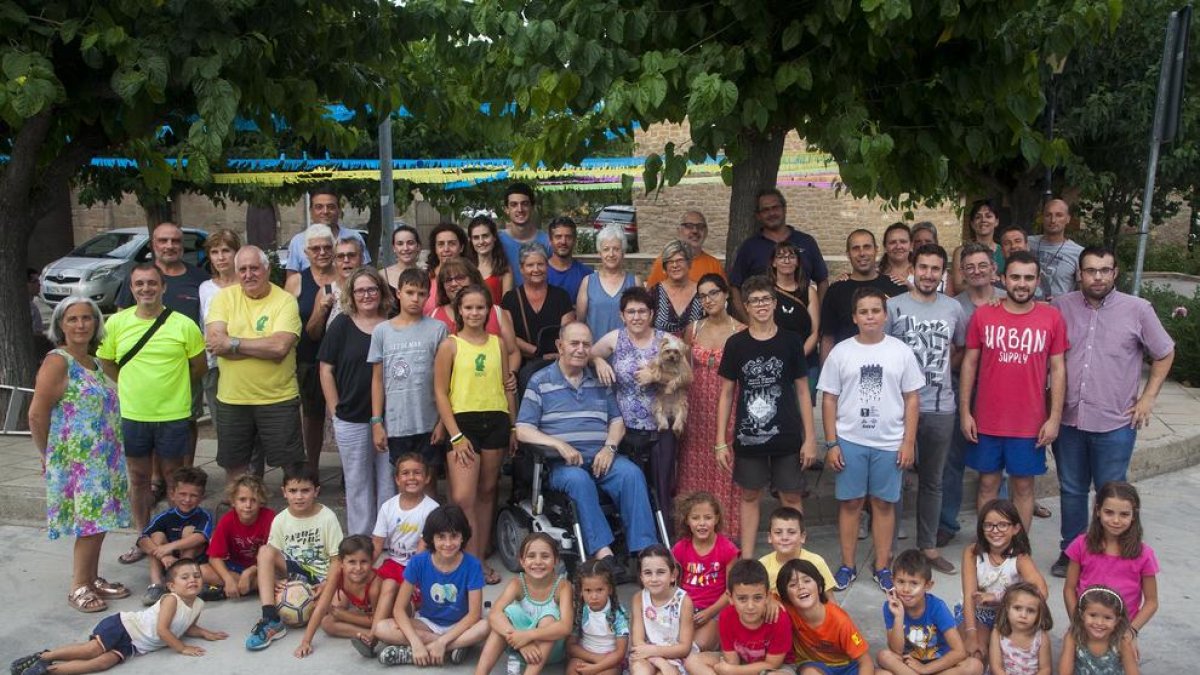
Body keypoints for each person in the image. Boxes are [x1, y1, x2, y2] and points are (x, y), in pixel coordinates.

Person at [1049, 246, 1174, 578]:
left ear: (1115, 272)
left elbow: (1164, 352)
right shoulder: (1061, 307)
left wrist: (1148, 398)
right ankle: (1071, 551)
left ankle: (1112, 554)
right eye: (1091, 270)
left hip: (1115, 422)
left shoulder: (1138, 310)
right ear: (1080, 274)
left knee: (1112, 492)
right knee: (1072, 488)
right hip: (1069, 419)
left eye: (1105, 270)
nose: (1098, 276)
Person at [516, 322, 659, 563]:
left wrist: (610, 448)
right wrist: (558, 444)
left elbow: (617, 422)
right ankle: (603, 553)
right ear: (560, 346)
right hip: (563, 465)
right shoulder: (540, 381)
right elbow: (523, 429)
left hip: (602, 458)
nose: (581, 349)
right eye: (574, 343)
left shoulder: (599, 380)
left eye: (586, 344)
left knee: (632, 474)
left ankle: (646, 552)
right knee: (579, 480)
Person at [27, 296, 131, 613]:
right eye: (72, 319)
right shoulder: (58, 361)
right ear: (61, 324)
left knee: (99, 522)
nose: (81, 324)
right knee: (89, 524)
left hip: (103, 459)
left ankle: (92, 577)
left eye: (87, 318)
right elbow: (36, 414)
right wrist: (48, 455)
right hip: (79, 462)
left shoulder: (94, 362)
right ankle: (78, 586)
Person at [98, 264, 205, 565]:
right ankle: (142, 537)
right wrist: (133, 386)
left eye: (152, 283)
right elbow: (107, 362)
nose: (146, 289)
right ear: (131, 289)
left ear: (163, 287)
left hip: (173, 414)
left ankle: (174, 542)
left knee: (174, 480)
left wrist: (171, 389)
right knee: (139, 478)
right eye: (139, 284)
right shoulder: (116, 324)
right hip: (134, 414)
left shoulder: (184, 325)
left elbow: (198, 367)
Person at [819, 287, 923, 593]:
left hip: (889, 441)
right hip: (850, 439)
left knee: (883, 503)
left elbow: (912, 399)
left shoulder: (900, 351)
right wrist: (832, 442)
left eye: (875, 310)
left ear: (885, 314)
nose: (870, 317)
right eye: (863, 312)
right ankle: (848, 565)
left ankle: (882, 566)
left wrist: (907, 442)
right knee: (851, 503)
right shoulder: (842, 352)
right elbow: (828, 400)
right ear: (854, 317)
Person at [959, 250, 1067, 532]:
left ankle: (1019, 548)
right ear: (1003, 278)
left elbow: (1058, 370)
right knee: (987, 484)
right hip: (987, 419)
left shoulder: (1051, 318)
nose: (1022, 283)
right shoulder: (984, 315)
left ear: (1037, 280)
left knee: (1023, 486)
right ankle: (986, 545)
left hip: (1029, 422)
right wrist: (965, 412)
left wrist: (1054, 418)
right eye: (1016, 277)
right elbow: (969, 364)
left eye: (1029, 278)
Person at [716, 276, 816, 557]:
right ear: (746, 306)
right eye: (754, 300)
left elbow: (803, 392)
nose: (761, 305)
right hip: (749, 436)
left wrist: (809, 439)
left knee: (791, 495)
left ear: (774, 303)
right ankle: (747, 557)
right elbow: (726, 394)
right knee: (749, 495)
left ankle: (796, 556)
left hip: (786, 434)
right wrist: (720, 441)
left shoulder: (791, 342)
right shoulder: (736, 344)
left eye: (766, 299)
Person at [884, 244, 966, 574]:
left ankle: (928, 547)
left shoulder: (953, 309)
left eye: (936, 269)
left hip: (940, 406)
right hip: (898, 409)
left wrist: (941, 372)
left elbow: (959, 348)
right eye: (924, 268)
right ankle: (887, 551)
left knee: (933, 480)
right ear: (912, 269)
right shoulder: (892, 307)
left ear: (942, 273)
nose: (929, 274)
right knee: (894, 480)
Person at [10, 559, 227, 675]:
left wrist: (206, 633)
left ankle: (46, 671)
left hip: (134, 645)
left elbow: (187, 626)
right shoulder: (171, 599)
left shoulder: (199, 603)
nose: (192, 580)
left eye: (197, 576)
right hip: (124, 626)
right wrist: (182, 648)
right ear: (171, 585)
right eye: (185, 577)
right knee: (92, 650)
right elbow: (163, 630)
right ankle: (44, 656)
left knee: (103, 663)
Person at [435, 283, 518, 586]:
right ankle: (463, 560)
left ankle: (479, 559)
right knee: (462, 497)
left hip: (495, 419)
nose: (474, 313)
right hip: (464, 423)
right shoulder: (451, 345)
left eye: (480, 307)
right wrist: (455, 435)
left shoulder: (497, 343)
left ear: (488, 311)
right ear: (459, 311)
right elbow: (441, 393)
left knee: (486, 494)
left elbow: (507, 386)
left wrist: (512, 424)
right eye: (468, 307)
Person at [205, 246, 305, 483]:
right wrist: (262, 348)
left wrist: (234, 343)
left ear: (267, 269)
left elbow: (280, 347)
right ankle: (244, 518)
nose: (248, 274)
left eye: (254, 268)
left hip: (277, 399)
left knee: (292, 470)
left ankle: (292, 518)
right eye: (243, 269)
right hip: (233, 400)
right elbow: (216, 343)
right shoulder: (223, 299)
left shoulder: (285, 301)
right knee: (236, 470)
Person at [319, 267, 395, 535]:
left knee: (388, 482)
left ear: (381, 291)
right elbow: (326, 369)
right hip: (350, 417)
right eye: (360, 290)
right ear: (351, 294)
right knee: (357, 482)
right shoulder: (342, 324)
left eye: (372, 289)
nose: (366, 295)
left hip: (389, 417)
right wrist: (335, 410)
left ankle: (386, 538)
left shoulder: (392, 322)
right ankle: (361, 539)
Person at [591, 286, 678, 510]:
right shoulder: (614, 338)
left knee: (662, 487)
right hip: (625, 429)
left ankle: (663, 539)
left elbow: (685, 378)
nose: (636, 317)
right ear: (622, 315)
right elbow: (588, 354)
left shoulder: (665, 340)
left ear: (651, 314)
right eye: (631, 312)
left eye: (642, 311)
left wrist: (657, 375)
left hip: (660, 426)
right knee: (630, 489)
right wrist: (599, 361)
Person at [244, 465, 345, 651]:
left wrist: (327, 584)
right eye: (293, 491)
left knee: (335, 611)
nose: (299, 496)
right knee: (265, 550)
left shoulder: (327, 517)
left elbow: (336, 560)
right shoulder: (281, 519)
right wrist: (275, 579)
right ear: (284, 492)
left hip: (321, 577)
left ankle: (314, 604)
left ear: (316, 491)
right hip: (295, 572)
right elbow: (273, 556)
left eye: (305, 490)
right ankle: (270, 618)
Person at [375, 505, 490, 666]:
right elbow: (399, 609)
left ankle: (421, 652)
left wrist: (442, 642)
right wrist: (415, 641)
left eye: (454, 536)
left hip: (461, 624)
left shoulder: (472, 565)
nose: (448, 543)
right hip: (427, 623)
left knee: (486, 625)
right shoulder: (418, 562)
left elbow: (474, 615)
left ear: (463, 537)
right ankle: (454, 647)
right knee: (381, 627)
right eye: (441, 537)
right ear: (431, 538)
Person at [678, 274, 745, 542]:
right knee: (692, 468)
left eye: (714, 293)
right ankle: (692, 533)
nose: (709, 299)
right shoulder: (692, 329)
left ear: (726, 294)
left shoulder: (741, 330)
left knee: (726, 466)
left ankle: (728, 534)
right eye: (703, 295)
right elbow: (682, 369)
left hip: (729, 404)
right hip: (696, 407)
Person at [369, 269, 449, 477]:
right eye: (410, 292)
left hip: (429, 422)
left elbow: (446, 379)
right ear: (398, 293)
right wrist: (377, 422)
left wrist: (442, 422)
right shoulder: (382, 331)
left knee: (428, 479)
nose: (415, 299)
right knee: (404, 480)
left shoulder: (438, 329)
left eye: (422, 294)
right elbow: (378, 379)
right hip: (397, 423)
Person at [1063, 482, 1158, 645]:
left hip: (1121, 631)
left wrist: (1132, 631)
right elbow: (1070, 588)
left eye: (1124, 514)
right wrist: (1077, 623)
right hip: (1085, 626)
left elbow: (1151, 601)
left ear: (1133, 515)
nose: (1115, 520)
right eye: (1109, 512)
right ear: (1098, 511)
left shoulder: (1144, 554)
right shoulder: (1081, 545)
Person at [959, 499, 1048, 665]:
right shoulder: (972, 552)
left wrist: (999, 597)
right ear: (981, 528)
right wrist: (971, 634)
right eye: (989, 525)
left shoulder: (1020, 558)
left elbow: (1041, 590)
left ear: (1016, 528)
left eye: (1002, 525)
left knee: (1008, 661)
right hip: (977, 613)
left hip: (1010, 615)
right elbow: (969, 597)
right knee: (976, 654)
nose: (995, 531)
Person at [368, 452, 440, 652]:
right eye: (405, 473)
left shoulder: (432, 509)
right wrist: (365, 571)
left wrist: (412, 579)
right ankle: (379, 630)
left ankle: (375, 636)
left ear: (426, 478)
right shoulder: (388, 507)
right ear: (397, 479)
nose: (411, 478)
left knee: (394, 590)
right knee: (381, 586)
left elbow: (423, 551)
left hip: (419, 568)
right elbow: (376, 544)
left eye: (417, 473)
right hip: (393, 564)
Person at [474, 533, 573, 675]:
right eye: (531, 556)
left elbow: (565, 627)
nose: (538, 561)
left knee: (549, 618)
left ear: (556, 560)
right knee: (509, 612)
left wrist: (528, 636)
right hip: (520, 646)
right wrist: (521, 641)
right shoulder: (517, 583)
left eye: (545, 556)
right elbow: (494, 615)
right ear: (522, 561)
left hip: (551, 650)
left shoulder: (563, 586)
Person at [283, 224, 338, 474]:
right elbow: (285, 317)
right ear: (306, 252)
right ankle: (312, 468)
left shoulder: (345, 276)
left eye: (327, 247)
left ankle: (349, 470)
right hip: (308, 356)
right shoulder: (296, 281)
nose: (322, 252)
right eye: (316, 248)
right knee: (312, 416)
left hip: (342, 357)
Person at [876, 550, 982, 675]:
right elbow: (896, 650)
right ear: (892, 581)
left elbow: (959, 652)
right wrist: (899, 616)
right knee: (883, 657)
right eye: (900, 582)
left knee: (974, 665)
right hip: (909, 665)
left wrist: (925, 669)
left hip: (939, 664)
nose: (905, 589)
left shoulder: (937, 607)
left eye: (914, 583)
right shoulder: (891, 606)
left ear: (927, 585)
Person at [729, 188, 829, 316]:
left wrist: (816, 316)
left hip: (802, 325)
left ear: (784, 209)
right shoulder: (750, 247)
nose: (771, 213)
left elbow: (822, 281)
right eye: (765, 210)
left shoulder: (806, 242)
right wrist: (748, 322)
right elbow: (734, 287)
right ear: (758, 215)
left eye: (775, 207)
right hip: (763, 325)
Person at [684, 559, 793, 675]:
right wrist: (731, 669)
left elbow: (772, 664)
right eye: (742, 599)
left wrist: (732, 671)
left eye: (757, 598)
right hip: (740, 662)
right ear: (730, 597)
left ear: (767, 596)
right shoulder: (726, 616)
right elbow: (732, 660)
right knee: (693, 661)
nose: (750, 606)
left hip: (773, 668)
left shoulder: (777, 617)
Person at [819, 230, 907, 361]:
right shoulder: (836, 291)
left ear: (876, 250)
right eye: (856, 248)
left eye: (867, 247)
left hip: (890, 367)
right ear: (848, 254)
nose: (862, 253)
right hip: (848, 369)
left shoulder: (896, 287)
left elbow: (905, 333)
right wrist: (826, 378)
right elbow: (827, 339)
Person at [778, 558, 875, 675]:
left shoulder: (840, 621)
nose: (801, 587)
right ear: (786, 596)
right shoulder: (786, 608)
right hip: (815, 665)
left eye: (807, 581)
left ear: (819, 587)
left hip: (848, 666)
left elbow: (865, 660)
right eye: (793, 584)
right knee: (809, 672)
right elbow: (763, 596)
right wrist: (771, 601)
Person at [135, 467, 213, 607]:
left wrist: (169, 547)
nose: (187, 499)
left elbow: (201, 537)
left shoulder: (204, 516)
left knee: (190, 532)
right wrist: (163, 555)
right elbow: (142, 540)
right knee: (156, 536)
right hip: (167, 562)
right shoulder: (165, 517)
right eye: (182, 494)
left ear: (201, 497)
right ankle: (156, 585)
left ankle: (182, 580)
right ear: (172, 494)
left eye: (193, 495)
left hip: (193, 563)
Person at [295, 534, 383, 658]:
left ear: (371, 561)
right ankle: (370, 636)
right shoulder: (337, 573)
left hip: (386, 617)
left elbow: (378, 620)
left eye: (364, 562)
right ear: (342, 563)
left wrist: (344, 616)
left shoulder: (375, 585)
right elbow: (321, 607)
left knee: (379, 627)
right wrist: (306, 642)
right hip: (367, 616)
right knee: (327, 623)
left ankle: (379, 636)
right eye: (352, 562)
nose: (358, 568)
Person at [672, 492, 739, 651]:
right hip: (685, 609)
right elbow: (673, 585)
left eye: (707, 518)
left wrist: (709, 612)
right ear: (687, 520)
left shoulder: (727, 549)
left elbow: (731, 591)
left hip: (715, 609)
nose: (702, 523)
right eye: (695, 518)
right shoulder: (680, 548)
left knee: (698, 646)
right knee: (674, 643)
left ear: (716, 519)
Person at [502, 243, 576, 375]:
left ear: (547, 266)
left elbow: (569, 332)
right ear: (521, 268)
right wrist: (537, 352)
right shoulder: (510, 299)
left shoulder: (561, 296)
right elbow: (510, 337)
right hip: (524, 368)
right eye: (530, 265)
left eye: (540, 264)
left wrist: (556, 355)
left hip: (558, 366)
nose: (536, 269)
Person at [202, 474, 274, 599]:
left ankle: (245, 585)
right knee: (201, 571)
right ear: (233, 502)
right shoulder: (227, 520)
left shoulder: (270, 518)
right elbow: (214, 557)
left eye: (253, 500)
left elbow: (276, 555)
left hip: (261, 568)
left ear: (261, 502)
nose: (248, 505)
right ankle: (248, 586)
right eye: (242, 499)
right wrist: (228, 579)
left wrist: (250, 572)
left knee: (276, 576)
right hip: (235, 567)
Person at [198, 229, 241, 435]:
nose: (221, 257)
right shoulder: (205, 288)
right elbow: (202, 322)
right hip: (213, 363)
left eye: (226, 250)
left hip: (241, 360)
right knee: (221, 423)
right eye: (215, 252)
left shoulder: (245, 285)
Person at [629, 545, 695, 675]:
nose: (654, 579)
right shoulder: (638, 599)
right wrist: (659, 661)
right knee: (640, 671)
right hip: (645, 654)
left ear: (673, 575)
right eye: (648, 573)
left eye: (660, 572)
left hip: (675, 655)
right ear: (641, 577)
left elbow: (684, 647)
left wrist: (660, 658)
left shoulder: (684, 601)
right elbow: (638, 640)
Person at [283, 185, 369, 281]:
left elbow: (366, 273)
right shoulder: (298, 242)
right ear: (311, 211)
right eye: (319, 207)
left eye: (331, 207)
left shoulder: (355, 237)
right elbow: (291, 280)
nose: (325, 211)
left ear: (339, 210)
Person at [757, 507, 837, 601]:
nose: (784, 537)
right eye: (778, 532)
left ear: (802, 537)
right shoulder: (762, 566)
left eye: (791, 532)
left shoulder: (816, 562)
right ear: (770, 537)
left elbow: (830, 600)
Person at [566, 559, 630, 675]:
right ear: (580, 591)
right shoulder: (580, 611)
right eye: (588, 590)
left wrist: (596, 668)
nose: (594, 596)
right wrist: (594, 659)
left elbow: (620, 652)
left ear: (609, 589)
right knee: (572, 670)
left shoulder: (618, 614)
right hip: (585, 655)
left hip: (610, 660)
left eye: (599, 590)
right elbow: (571, 646)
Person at [577, 224, 639, 341]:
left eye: (616, 249)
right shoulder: (588, 282)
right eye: (606, 249)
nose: (611, 254)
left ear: (623, 252)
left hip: (627, 354)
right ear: (599, 253)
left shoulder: (634, 282)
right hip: (594, 353)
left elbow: (642, 321)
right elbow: (580, 322)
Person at [1058, 586, 1139, 675]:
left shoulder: (1121, 641)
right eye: (1093, 615)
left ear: (1117, 620)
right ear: (1082, 615)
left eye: (1107, 618)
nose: (1099, 622)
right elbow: (1064, 672)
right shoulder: (1073, 637)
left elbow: (1133, 672)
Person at [770, 240, 820, 364]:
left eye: (791, 257)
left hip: (805, 361)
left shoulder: (809, 292)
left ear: (797, 262)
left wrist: (798, 357)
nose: (786, 261)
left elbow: (815, 332)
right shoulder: (766, 293)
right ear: (774, 262)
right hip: (774, 361)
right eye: (781, 257)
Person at [645, 210, 725, 287]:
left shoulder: (714, 265)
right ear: (679, 231)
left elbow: (722, 297)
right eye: (689, 226)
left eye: (700, 226)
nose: (695, 231)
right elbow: (650, 297)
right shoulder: (665, 262)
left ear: (706, 232)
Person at [988, 582, 1053, 675]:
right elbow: (996, 667)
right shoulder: (998, 633)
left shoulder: (1041, 637)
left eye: (1030, 611)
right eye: (1017, 608)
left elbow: (1045, 669)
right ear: (1007, 608)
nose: (1023, 615)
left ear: (1039, 614)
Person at [1029, 199, 1084, 301]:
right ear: (1042, 218)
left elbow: (1083, 291)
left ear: (1068, 219)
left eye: (1059, 215)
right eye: (1048, 215)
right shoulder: (1027, 243)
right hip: (1026, 310)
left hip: (1060, 312)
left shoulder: (1078, 253)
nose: (1053, 220)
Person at [499, 182, 551, 286]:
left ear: (532, 207)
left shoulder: (548, 242)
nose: (520, 209)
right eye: (514, 205)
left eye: (525, 204)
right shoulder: (496, 241)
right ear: (506, 209)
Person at [948, 199, 1004, 296]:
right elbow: (958, 287)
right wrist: (984, 282)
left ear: (996, 221)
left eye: (988, 216)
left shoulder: (1004, 251)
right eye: (978, 217)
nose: (983, 220)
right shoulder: (961, 252)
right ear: (972, 224)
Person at [649, 239, 703, 336]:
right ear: (665, 266)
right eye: (670, 261)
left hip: (695, 349)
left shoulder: (702, 292)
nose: (675, 265)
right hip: (661, 350)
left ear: (689, 263)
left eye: (680, 260)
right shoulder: (654, 293)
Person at [466, 215, 514, 303]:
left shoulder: (504, 268)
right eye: (476, 237)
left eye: (485, 236)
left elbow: (507, 305)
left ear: (494, 237)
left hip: (497, 316)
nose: (481, 242)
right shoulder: (466, 268)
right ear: (471, 241)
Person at [424, 222, 470, 315]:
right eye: (441, 244)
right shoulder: (425, 278)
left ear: (461, 247)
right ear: (435, 249)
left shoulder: (471, 276)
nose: (446, 249)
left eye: (452, 244)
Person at [546, 216, 592, 301]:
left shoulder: (586, 275)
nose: (563, 241)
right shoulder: (540, 272)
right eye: (558, 237)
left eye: (568, 237)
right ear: (550, 240)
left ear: (574, 240)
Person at [380, 224, 423, 295]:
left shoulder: (427, 275)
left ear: (418, 246)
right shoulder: (382, 276)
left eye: (410, 243)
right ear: (394, 248)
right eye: (400, 244)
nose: (405, 248)